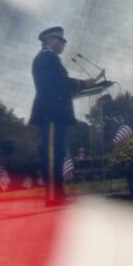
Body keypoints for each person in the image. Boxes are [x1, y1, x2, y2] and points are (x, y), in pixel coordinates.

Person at [28, 26, 98, 205]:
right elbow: (58, 83)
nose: (64, 44)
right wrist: (84, 83)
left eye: (64, 41)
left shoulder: (49, 58)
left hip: (53, 112)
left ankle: (57, 194)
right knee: (52, 154)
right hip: (50, 113)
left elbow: (57, 86)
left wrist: (80, 86)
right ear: (49, 40)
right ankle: (53, 196)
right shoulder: (46, 58)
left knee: (56, 153)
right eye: (60, 40)